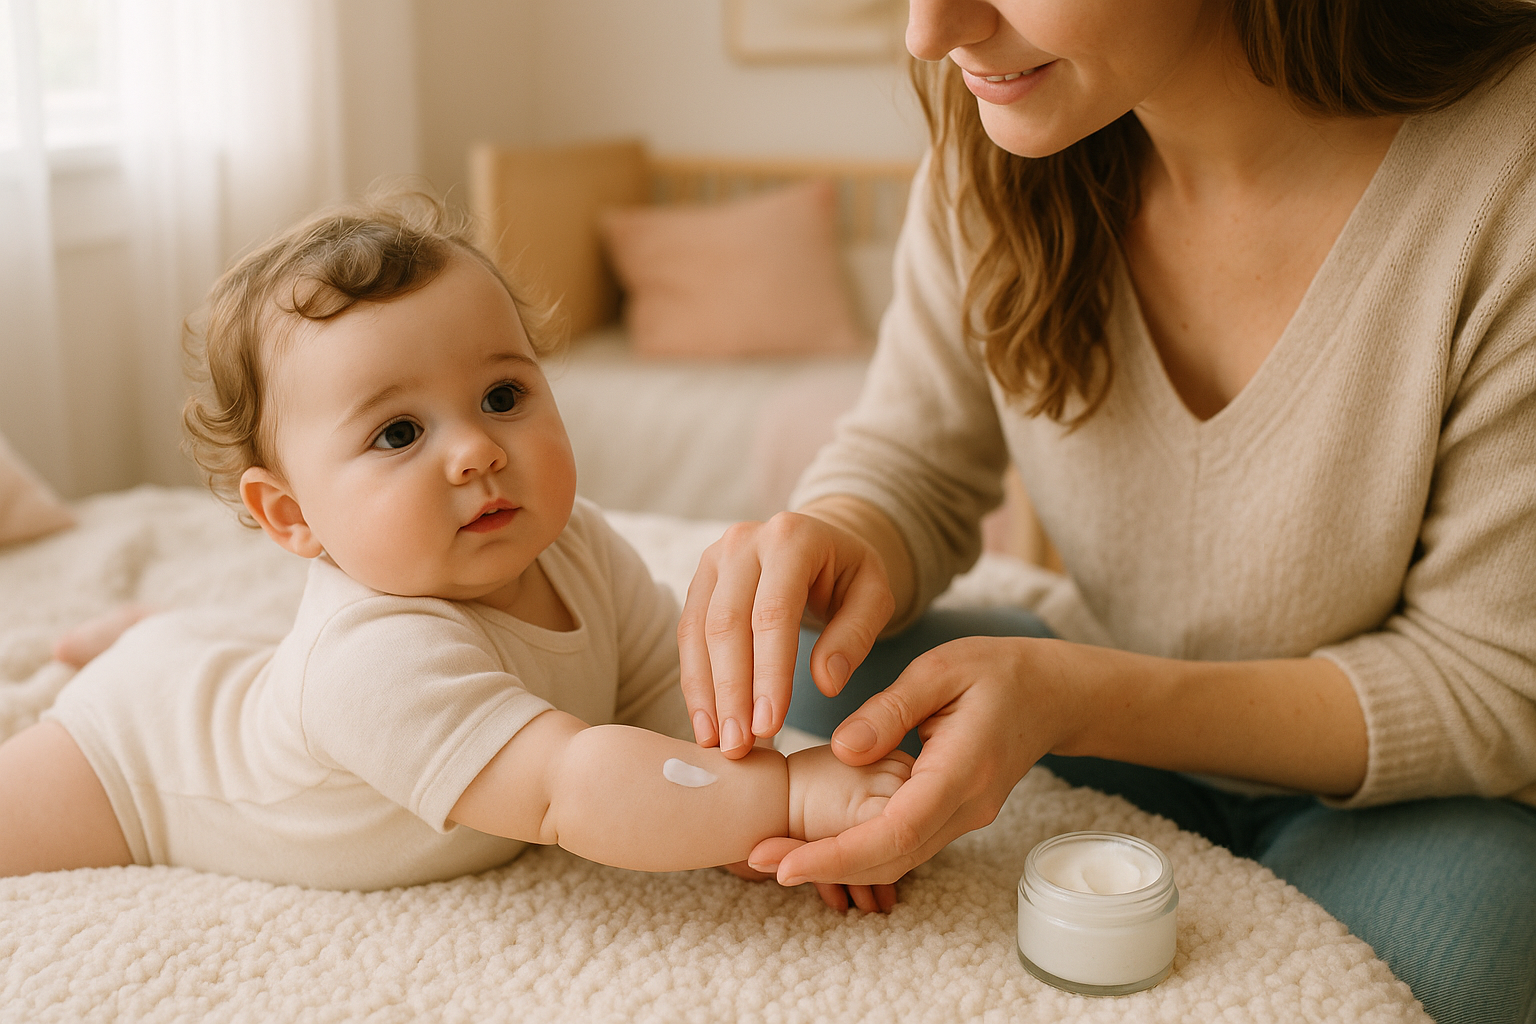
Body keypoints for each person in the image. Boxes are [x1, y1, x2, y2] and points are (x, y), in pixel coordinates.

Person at [678, 1, 1536, 1019]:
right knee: (821, 699)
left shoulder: (1506, 175)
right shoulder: (996, 137)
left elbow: (1492, 681)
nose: (931, 31)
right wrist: (840, 536)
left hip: (1418, 792)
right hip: (1101, 701)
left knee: (1445, 970)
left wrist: (1077, 698)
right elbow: (914, 456)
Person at [0, 194, 911, 901]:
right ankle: (128, 650)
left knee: (227, 661)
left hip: (225, 678)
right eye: (398, 434)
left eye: (504, 397)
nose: (477, 449)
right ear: (291, 519)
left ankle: (147, 633)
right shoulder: (370, 657)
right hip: (141, 754)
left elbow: (669, 721)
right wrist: (787, 795)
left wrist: (764, 839)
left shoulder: (582, 546)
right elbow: (570, 787)